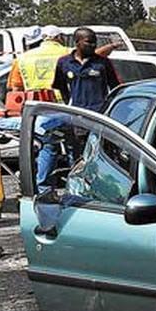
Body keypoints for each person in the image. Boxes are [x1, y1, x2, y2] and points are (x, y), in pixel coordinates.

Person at [36, 27, 122, 194]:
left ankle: (101, 190)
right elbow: (61, 87)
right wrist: (73, 105)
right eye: (88, 42)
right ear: (77, 43)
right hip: (76, 118)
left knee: (100, 155)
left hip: (99, 118)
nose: (92, 45)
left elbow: (115, 87)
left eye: (94, 42)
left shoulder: (102, 63)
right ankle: (78, 191)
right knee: (78, 157)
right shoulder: (64, 63)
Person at [6, 25, 70, 114]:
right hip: (66, 105)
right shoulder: (69, 53)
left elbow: (16, 89)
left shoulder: (21, 58)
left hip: (34, 107)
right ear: (59, 37)